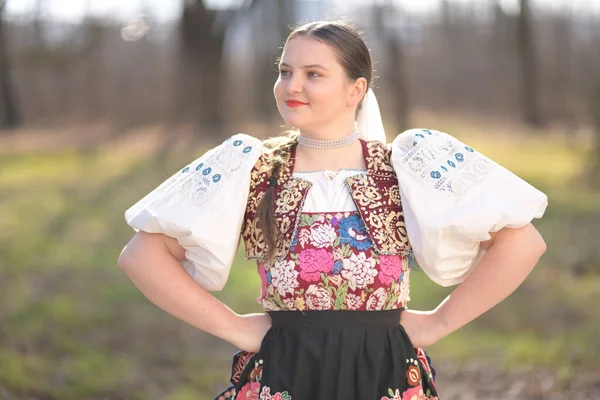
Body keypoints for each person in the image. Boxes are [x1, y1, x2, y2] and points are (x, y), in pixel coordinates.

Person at [118, 21, 548, 400]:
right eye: (285, 72)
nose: (292, 86)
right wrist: (234, 327)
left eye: (313, 74)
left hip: (384, 371)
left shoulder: (406, 169)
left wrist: (438, 323)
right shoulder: (252, 170)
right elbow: (141, 255)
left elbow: (521, 241)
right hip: (286, 370)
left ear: (355, 90)